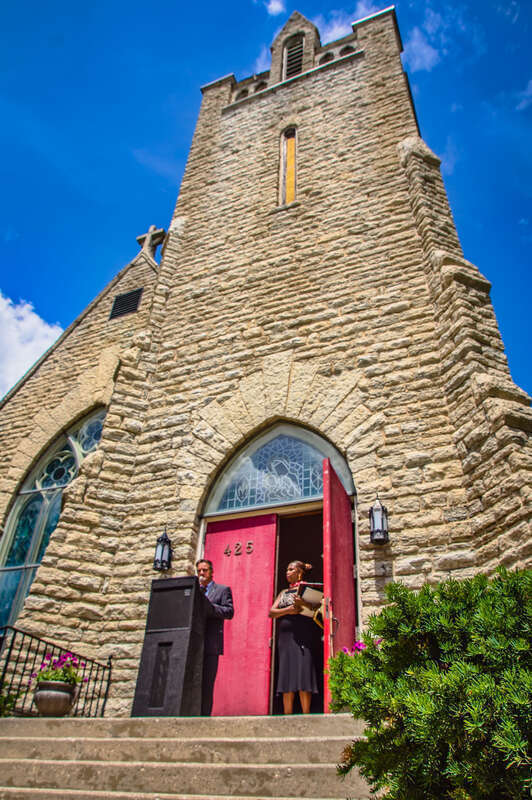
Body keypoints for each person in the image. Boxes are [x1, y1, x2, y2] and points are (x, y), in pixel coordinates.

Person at [269, 560, 321, 714]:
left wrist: (303, 603)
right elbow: (271, 612)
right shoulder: (284, 593)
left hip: (304, 635)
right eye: (287, 569)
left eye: (291, 569)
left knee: (304, 673)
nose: (287, 572)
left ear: (299, 573)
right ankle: (287, 714)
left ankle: (306, 714)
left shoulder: (309, 590)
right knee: (287, 676)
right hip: (286, 639)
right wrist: (288, 610)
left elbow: (318, 608)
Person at [196, 558, 234, 716]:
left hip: (211, 644)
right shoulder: (194, 590)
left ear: (212, 572)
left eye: (205, 570)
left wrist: (210, 608)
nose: (201, 573)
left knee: (207, 684)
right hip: (194, 642)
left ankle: (204, 717)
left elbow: (229, 611)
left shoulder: (222, 590)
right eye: (199, 571)